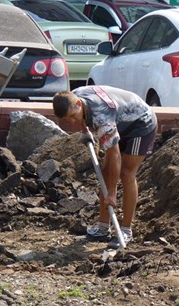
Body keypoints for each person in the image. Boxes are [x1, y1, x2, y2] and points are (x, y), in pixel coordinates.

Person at [53, 85, 158, 249]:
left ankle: (125, 230)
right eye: (68, 120)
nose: (72, 122)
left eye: (73, 117)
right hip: (121, 120)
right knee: (106, 171)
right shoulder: (74, 96)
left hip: (140, 123)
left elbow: (114, 154)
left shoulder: (102, 119)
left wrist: (112, 194)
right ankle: (103, 228)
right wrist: (84, 130)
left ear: (79, 104)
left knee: (126, 173)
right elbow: (81, 117)